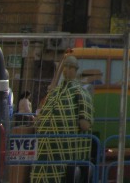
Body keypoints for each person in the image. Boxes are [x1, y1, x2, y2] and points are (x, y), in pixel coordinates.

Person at [31, 55, 93, 183]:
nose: (66, 70)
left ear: (75, 70)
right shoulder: (54, 92)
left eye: (70, 67)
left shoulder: (80, 92)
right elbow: (42, 112)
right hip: (44, 146)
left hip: (64, 149)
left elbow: (85, 124)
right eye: (65, 67)